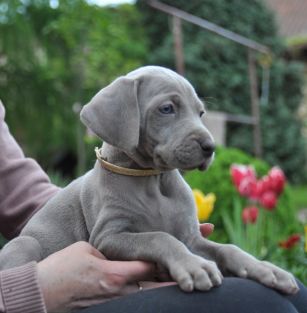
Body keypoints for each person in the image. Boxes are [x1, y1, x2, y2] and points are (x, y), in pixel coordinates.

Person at [0, 100, 306, 313]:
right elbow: (106, 238)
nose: (205, 137)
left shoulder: (168, 182)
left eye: (198, 112)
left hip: (87, 283)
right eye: (167, 109)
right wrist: (25, 291)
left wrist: (234, 258)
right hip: (30, 297)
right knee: (259, 306)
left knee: (296, 297)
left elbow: (24, 194)